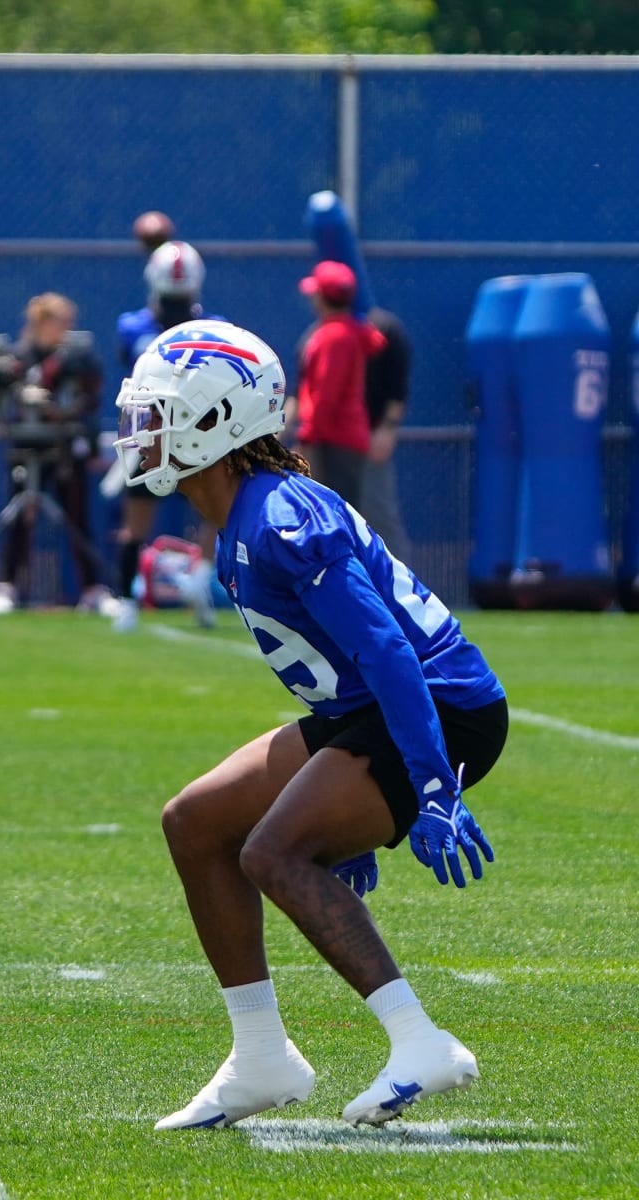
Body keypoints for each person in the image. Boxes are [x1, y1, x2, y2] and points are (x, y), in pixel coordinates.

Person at [112, 319, 508, 1130]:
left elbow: (390, 652)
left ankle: (419, 1041)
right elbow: (350, 674)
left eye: (158, 414)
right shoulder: (239, 516)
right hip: (363, 706)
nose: (141, 432)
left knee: (272, 851)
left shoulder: (281, 521)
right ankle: (261, 1056)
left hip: (438, 708)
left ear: (216, 424)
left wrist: (433, 786)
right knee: (195, 822)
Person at [111, 240, 222, 631]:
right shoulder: (211, 328)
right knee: (148, 521)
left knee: (211, 513)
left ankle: (188, 587)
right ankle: (138, 595)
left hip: (169, 433)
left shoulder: (136, 327)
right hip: (168, 433)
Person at [0, 292, 107, 615]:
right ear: (41, 322)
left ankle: (92, 589)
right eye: (60, 321)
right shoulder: (20, 357)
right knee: (20, 518)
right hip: (27, 446)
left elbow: (91, 389)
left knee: (78, 518)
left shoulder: (74, 357)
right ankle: (7, 586)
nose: (66, 328)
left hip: (63, 447)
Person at [287, 260, 386, 512]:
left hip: (332, 439)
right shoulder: (345, 331)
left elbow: (326, 393)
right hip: (338, 436)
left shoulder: (334, 336)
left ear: (321, 296)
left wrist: (308, 435)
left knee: (332, 513)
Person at [361, 305, 413, 562]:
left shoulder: (384, 327)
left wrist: (388, 427)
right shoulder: (320, 333)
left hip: (368, 438)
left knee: (380, 516)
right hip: (331, 443)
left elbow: (398, 386)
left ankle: (405, 593)